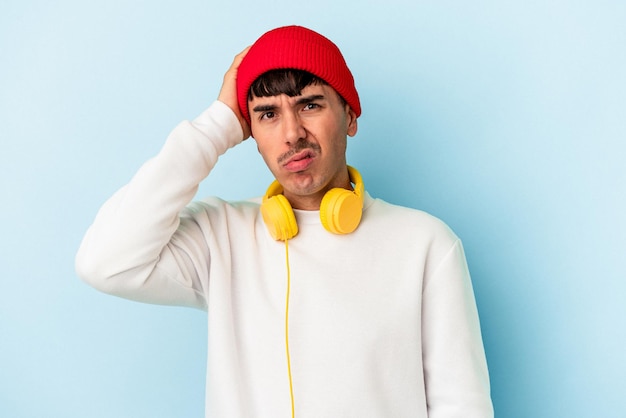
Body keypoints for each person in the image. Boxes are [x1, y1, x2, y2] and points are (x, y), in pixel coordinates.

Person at [76, 25, 494, 418]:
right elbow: (104, 262)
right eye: (268, 114)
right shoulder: (220, 237)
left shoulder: (426, 244)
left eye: (309, 105)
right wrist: (216, 127)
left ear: (349, 116)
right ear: (250, 132)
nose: (292, 133)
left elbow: (462, 406)